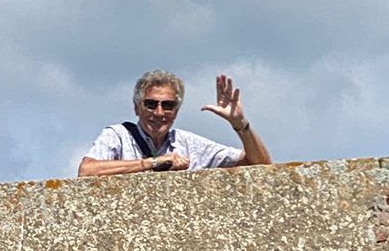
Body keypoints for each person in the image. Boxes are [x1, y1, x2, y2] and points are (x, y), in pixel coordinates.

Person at [79, 70, 272, 177]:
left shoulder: (188, 143)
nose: (159, 112)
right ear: (137, 108)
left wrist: (240, 124)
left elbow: (261, 165)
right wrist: (153, 163)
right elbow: (87, 171)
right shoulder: (118, 136)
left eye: (168, 105)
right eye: (151, 104)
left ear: (176, 111)